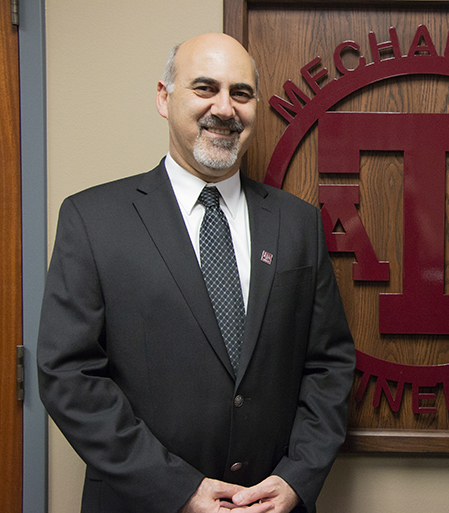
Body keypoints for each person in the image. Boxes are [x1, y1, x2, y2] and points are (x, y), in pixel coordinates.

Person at [37, 33, 356, 513]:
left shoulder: (298, 224)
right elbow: (68, 376)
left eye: (241, 93)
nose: (225, 109)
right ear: (164, 98)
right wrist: (176, 488)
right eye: (205, 88)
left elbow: (329, 365)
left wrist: (297, 477)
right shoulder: (93, 220)